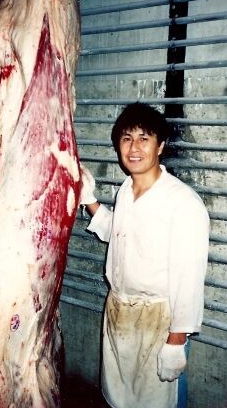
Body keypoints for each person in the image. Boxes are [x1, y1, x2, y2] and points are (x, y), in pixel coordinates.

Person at [80, 102, 210, 408]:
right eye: (126, 139)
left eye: (144, 138)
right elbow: (120, 232)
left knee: (157, 402)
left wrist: (176, 341)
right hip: (119, 313)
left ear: (160, 145)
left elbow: (188, 277)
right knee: (119, 398)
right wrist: (88, 200)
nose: (134, 148)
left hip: (158, 320)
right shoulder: (126, 190)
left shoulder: (182, 203)